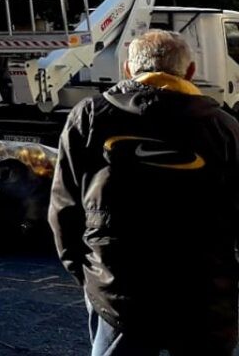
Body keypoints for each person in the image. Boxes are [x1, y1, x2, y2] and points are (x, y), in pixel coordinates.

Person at [50, 29, 239, 356]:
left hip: (116, 289)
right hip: (203, 292)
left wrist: (87, 275)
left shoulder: (90, 117)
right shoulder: (225, 127)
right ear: (191, 72)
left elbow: (64, 207)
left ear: (127, 68)